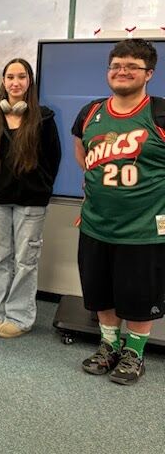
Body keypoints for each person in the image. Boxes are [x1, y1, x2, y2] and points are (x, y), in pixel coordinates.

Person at [73, 39, 165, 385]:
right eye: (116, 65)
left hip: (144, 229)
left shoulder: (159, 112)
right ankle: (109, 345)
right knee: (101, 292)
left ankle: (134, 353)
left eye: (131, 66)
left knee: (141, 297)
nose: (122, 71)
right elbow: (83, 155)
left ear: (149, 73)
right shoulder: (91, 113)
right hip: (96, 224)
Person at [0, 58, 61, 338]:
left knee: (26, 260)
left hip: (30, 201)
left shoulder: (44, 117)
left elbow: (53, 158)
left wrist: (42, 190)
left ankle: (19, 316)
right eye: (10, 77)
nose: (15, 82)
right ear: (3, 81)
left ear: (29, 82)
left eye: (21, 77)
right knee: (1, 258)